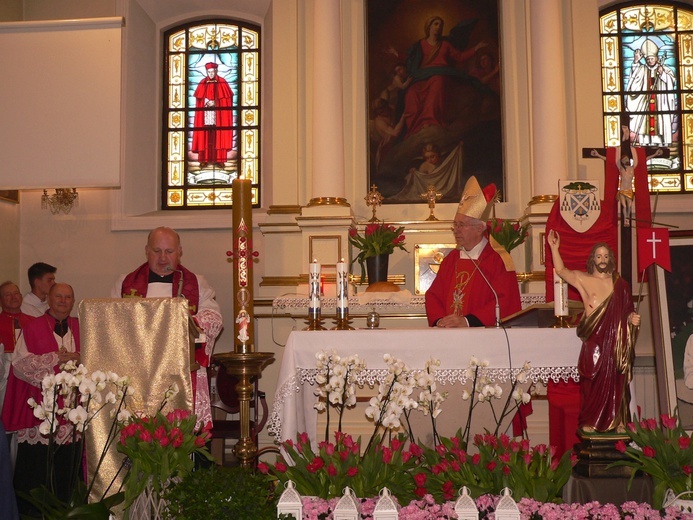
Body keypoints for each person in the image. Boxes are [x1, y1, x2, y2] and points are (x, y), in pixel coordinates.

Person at [112, 227, 223, 426]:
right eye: (157, 251)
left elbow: (213, 318)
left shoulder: (196, 283)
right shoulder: (125, 282)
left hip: (180, 368)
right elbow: (112, 320)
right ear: (146, 251)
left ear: (179, 251)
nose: (163, 258)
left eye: (169, 251)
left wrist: (190, 323)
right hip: (139, 370)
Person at [547, 230, 640, 433]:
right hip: (594, 341)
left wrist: (631, 319)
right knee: (591, 380)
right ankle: (590, 421)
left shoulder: (620, 285)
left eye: (606, 256)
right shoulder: (583, 280)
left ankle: (619, 422)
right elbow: (562, 271)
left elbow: (627, 310)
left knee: (617, 381)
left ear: (611, 259)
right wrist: (555, 248)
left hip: (615, 342)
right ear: (593, 259)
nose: (602, 259)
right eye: (599, 256)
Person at [1, 283, 80, 515]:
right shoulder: (33, 327)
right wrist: (55, 359)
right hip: (41, 415)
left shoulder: (81, 326)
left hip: (73, 415)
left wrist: (77, 359)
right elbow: (19, 366)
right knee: (36, 473)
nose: (63, 301)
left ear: (73, 301)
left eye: (68, 297)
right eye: (58, 296)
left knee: (66, 474)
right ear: (49, 299)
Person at [425, 176, 521, 327]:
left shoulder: (498, 260)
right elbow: (433, 295)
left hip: (484, 336)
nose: (456, 230)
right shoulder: (452, 259)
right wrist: (440, 320)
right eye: (455, 225)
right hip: (448, 335)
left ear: (479, 228)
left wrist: (467, 321)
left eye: (461, 225)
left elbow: (505, 301)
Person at [401, 16, 486, 139]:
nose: (438, 27)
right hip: (424, 76)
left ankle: (430, 121)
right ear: (428, 26)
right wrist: (396, 54)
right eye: (435, 24)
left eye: (440, 25)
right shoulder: (420, 44)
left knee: (438, 82)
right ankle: (414, 128)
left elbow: (460, 57)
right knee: (411, 93)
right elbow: (410, 58)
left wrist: (475, 49)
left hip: (442, 73)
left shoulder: (445, 44)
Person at [625, 38, 677, 146]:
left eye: (652, 58)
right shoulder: (642, 69)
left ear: (657, 58)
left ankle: (662, 146)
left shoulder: (664, 69)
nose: (650, 61)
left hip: (661, 106)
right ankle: (646, 146)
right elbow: (633, 82)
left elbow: (672, 81)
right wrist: (636, 62)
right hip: (645, 105)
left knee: (661, 125)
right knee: (645, 128)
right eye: (648, 59)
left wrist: (663, 75)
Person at [191, 62, 235, 169]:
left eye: (212, 72)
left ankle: (220, 160)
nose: (210, 74)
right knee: (205, 137)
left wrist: (216, 102)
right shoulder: (202, 82)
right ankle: (204, 159)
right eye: (209, 72)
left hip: (219, 116)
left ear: (216, 71)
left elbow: (227, 99)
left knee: (219, 136)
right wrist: (206, 101)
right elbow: (199, 99)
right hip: (206, 115)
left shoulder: (222, 82)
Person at [0, 282, 35, 415]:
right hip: (5, 380)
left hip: (29, 377)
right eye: (8, 295)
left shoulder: (34, 322)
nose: (13, 297)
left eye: (16, 293)